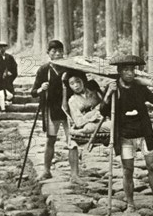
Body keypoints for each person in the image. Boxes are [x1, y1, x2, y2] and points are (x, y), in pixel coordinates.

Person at [100, 55, 153, 215]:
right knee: (127, 170)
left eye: (132, 70)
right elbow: (103, 111)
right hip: (125, 135)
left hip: (144, 133)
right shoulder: (113, 88)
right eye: (126, 70)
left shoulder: (139, 87)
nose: (130, 73)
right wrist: (108, 95)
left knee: (152, 166)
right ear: (119, 72)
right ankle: (130, 204)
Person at [31, 40, 79, 182]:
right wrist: (41, 89)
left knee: (73, 141)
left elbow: (82, 85)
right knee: (50, 139)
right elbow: (33, 92)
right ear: (48, 53)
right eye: (54, 51)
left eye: (60, 51)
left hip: (70, 110)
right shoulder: (44, 70)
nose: (57, 53)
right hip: (51, 109)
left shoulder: (71, 69)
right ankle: (46, 170)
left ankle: (75, 174)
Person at [66, 70, 111, 135]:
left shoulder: (94, 92)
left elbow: (104, 105)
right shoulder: (72, 100)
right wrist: (94, 114)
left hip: (104, 120)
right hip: (89, 124)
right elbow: (78, 122)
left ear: (83, 81)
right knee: (89, 127)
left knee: (112, 125)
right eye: (72, 83)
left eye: (78, 81)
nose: (76, 85)